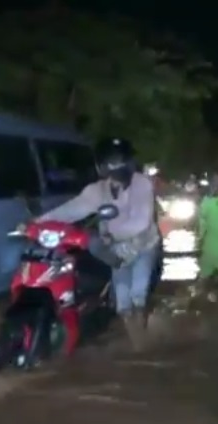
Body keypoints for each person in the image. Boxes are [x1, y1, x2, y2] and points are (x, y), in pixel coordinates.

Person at [32, 137, 161, 339]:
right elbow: (72, 210)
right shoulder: (98, 190)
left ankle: (141, 339)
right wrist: (38, 223)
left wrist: (110, 234)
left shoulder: (142, 184)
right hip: (116, 250)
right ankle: (135, 340)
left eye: (119, 163)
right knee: (122, 303)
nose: (115, 171)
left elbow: (142, 221)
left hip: (144, 246)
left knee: (138, 294)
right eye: (111, 165)